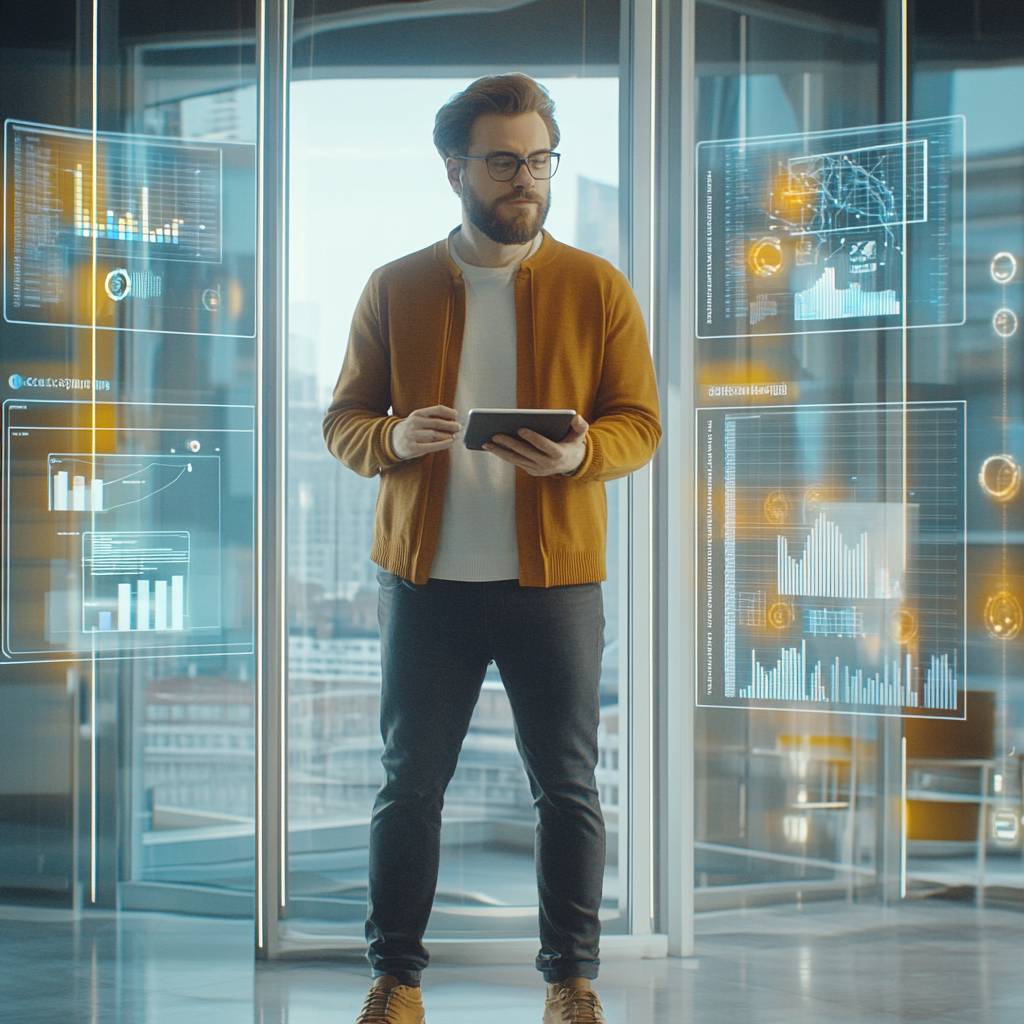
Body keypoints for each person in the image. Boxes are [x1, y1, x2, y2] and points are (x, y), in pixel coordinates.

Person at [323, 72, 661, 1024]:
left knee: (568, 790)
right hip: (424, 581)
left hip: (555, 581)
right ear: (455, 170)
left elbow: (640, 422)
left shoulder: (597, 287)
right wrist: (394, 437)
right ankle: (396, 982)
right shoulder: (395, 286)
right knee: (409, 786)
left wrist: (581, 453)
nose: (527, 181)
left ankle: (571, 984)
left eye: (540, 161)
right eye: (504, 163)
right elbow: (344, 421)